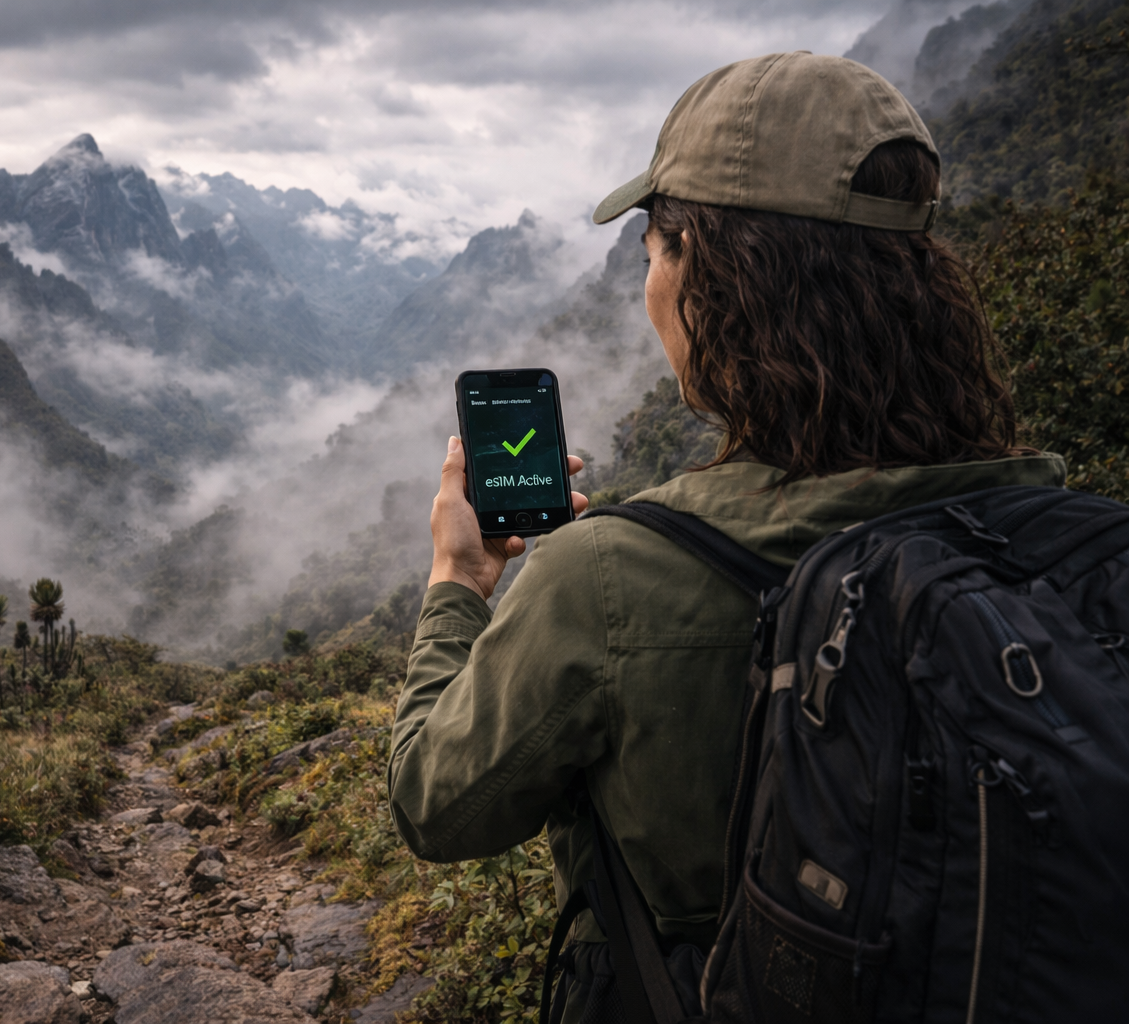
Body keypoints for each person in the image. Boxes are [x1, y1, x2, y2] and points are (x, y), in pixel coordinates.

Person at [387, 51, 1065, 1020]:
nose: (650, 285)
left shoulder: (606, 579)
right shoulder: (1056, 532)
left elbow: (433, 801)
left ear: (704, 270)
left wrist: (458, 575)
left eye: (654, 250)